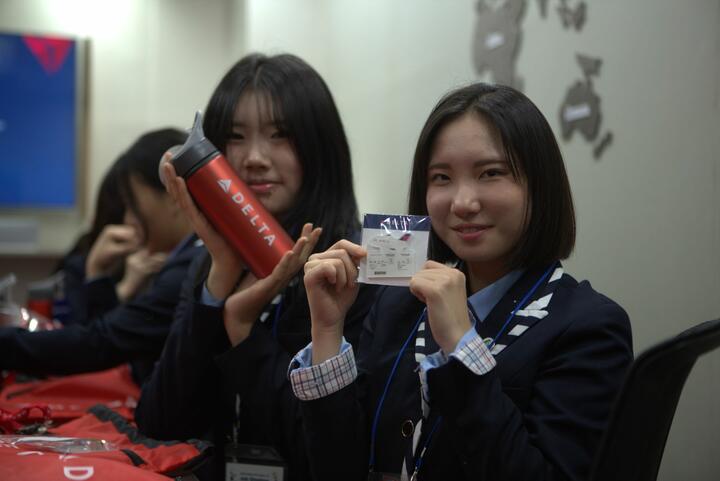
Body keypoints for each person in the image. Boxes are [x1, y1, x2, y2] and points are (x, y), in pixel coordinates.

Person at [290, 83, 633, 481]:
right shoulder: (397, 305)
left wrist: (461, 345)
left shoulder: (589, 327)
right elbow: (339, 469)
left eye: (490, 173)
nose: (462, 202)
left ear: (539, 185)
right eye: (441, 177)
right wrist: (329, 332)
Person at [134, 53, 378, 481]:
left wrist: (243, 333)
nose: (254, 158)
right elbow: (159, 421)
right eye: (235, 136)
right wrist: (219, 280)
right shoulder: (208, 265)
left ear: (320, 146)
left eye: (280, 134)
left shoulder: (352, 269)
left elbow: (333, 459)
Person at [0, 128, 202, 384]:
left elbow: (100, 344)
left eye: (132, 203)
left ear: (173, 193)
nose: (129, 218)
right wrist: (98, 276)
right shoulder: (187, 258)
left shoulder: (188, 269)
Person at [55, 159, 166, 325]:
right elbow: (83, 339)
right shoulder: (83, 259)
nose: (130, 219)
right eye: (128, 208)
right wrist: (121, 287)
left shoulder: (177, 259)